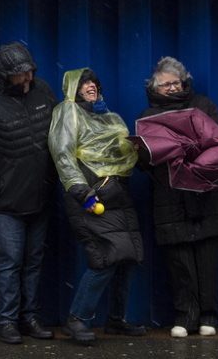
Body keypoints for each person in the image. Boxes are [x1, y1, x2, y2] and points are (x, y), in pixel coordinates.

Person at [0, 42, 58, 345]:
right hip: (7, 203)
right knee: (10, 261)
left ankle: (30, 317)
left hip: (41, 196)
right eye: (20, 74)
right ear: (4, 75)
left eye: (29, 70)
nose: (27, 77)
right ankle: (6, 321)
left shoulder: (43, 91)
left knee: (34, 260)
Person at [136, 57, 218, 338]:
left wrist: (191, 154)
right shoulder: (148, 115)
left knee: (208, 260)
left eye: (175, 82)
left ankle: (209, 317)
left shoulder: (203, 105)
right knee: (179, 263)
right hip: (169, 198)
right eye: (165, 84)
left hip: (204, 194)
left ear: (184, 82)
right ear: (155, 87)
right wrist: (144, 153)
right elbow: (145, 161)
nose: (171, 87)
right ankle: (184, 316)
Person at [48, 68, 146, 344]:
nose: (90, 86)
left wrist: (135, 149)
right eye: (84, 83)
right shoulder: (67, 111)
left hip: (117, 193)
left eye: (93, 82)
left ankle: (116, 320)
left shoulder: (107, 115)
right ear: (74, 89)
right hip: (90, 193)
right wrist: (81, 192)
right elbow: (62, 153)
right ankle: (76, 319)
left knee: (126, 257)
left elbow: (116, 151)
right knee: (104, 258)